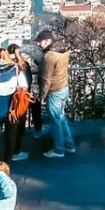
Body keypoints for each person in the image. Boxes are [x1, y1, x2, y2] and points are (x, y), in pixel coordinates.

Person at [39, 30, 73, 159]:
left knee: (55, 121)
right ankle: (69, 144)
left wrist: (42, 97)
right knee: (61, 118)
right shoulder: (64, 51)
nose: (38, 44)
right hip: (64, 87)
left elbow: (46, 79)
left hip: (54, 91)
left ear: (48, 41)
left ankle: (58, 149)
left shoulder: (49, 56)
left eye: (40, 41)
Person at [5, 44, 34, 162]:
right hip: (22, 97)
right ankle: (15, 151)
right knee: (19, 124)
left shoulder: (6, 65)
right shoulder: (24, 65)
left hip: (9, 97)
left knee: (10, 125)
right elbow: (29, 80)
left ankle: (9, 151)